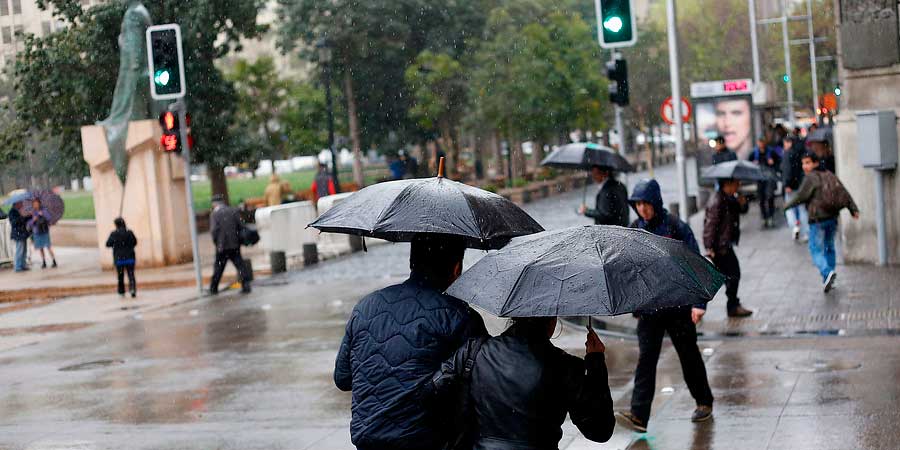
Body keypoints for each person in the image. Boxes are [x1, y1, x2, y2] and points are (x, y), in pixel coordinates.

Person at [334, 236, 487, 450]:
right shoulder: (460, 316)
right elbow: (484, 386)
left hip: (368, 440)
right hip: (430, 441)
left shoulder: (365, 307)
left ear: (411, 262)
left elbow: (342, 379)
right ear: (456, 268)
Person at [616, 179, 715, 432]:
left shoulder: (675, 226)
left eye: (646, 203)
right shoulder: (635, 229)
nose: (642, 209)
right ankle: (639, 415)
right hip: (650, 309)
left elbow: (695, 264)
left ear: (655, 202)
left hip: (678, 306)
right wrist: (635, 303)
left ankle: (703, 401)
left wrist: (698, 303)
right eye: (637, 204)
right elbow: (629, 269)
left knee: (689, 356)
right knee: (646, 361)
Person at [426, 317, 615, 449]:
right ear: (552, 322)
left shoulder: (474, 352)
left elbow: (433, 393)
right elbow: (600, 429)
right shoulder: (566, 366)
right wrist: (596, 361)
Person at [784, 152, 859, 292]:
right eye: (803, 163)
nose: (804, 166)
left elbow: (800, 196)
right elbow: (842, 191)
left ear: (815, 163)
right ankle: (828, 278)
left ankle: (826, 272)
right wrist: (853, 208)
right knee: (829, 246)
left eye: (807, 163)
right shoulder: (829, 174)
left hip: (817, 219)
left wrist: (786, 206)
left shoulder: (811, 178)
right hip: (832, 217)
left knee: (815, 248)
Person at [703, 178, 753, 317]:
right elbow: (710, 225)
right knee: (732, 275)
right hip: (719, 247)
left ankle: (732, 305)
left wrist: (743, 202)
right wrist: (709, 246)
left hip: (725, 244)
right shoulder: (717, 200)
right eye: (737, 182)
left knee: (731, 275)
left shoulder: (728, 198)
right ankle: (732, 306)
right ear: (728, 184)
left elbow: (740, 210)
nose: (739, 184)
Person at [209, 195, 251, 295]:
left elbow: (214, 231)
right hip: (234, 244)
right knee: (240, 265)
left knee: (218, 268)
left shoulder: (215, 214)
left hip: (222, 246)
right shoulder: (232, 210)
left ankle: (213, 288)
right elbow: (241, 225)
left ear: (214, 204)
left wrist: (217, 242)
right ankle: (246, 285)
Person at [749, 137, 782, 228]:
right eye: (760, 142)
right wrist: (753, 164)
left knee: (770, 197)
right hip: (760, 178)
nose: (761, 144)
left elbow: (779, 162)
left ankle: (771, 216)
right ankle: (764, 217)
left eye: (762, 142)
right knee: (761, 198)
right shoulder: (754, 152)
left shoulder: (771, 151)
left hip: (769, 177)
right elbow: (749, 163)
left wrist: (773, 163)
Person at [782, 134, 809, 241]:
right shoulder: (800, 152)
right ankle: (805, 232)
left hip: (791, 186)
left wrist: (787, 184)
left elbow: (787, 170)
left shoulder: (788, 153)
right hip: (800, 185)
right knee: (802, 209)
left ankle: (795, 227)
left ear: (789, 142)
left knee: (789, 208)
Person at [105, 217, 138, 298]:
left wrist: (115, 243)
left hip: (119, 259)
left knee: (120, 276)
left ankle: (121, 291)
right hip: (130, 258)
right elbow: (135, 242)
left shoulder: (114, 234)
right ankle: (132, 289)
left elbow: (108, 244)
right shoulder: (129, 232)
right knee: (131, 275)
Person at [27, 198, 57, 269]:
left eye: (36, 203)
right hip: (37, 232)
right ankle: (44, 262)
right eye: (34, 204)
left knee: (48, 246)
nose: (35, 205)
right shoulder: (32, 213)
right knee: (40, 248)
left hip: (44, 231)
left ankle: (54, 260)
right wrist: (33, 219)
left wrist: (42, 214)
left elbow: (49, 218)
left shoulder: (44, 210)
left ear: (39, 203)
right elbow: (29, 224)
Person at [8, 200, 30, 272]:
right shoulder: (12, 212)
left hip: (23, 232)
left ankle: (23, 265)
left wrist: (29, 215)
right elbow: (14, 222)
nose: (21, 204)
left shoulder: (21, 210)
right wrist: (22, 216)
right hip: (17, 233)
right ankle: (17, 267)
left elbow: (25, 220)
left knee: (24, 250)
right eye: (20, 203)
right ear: (15, 204)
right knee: (19, 250)